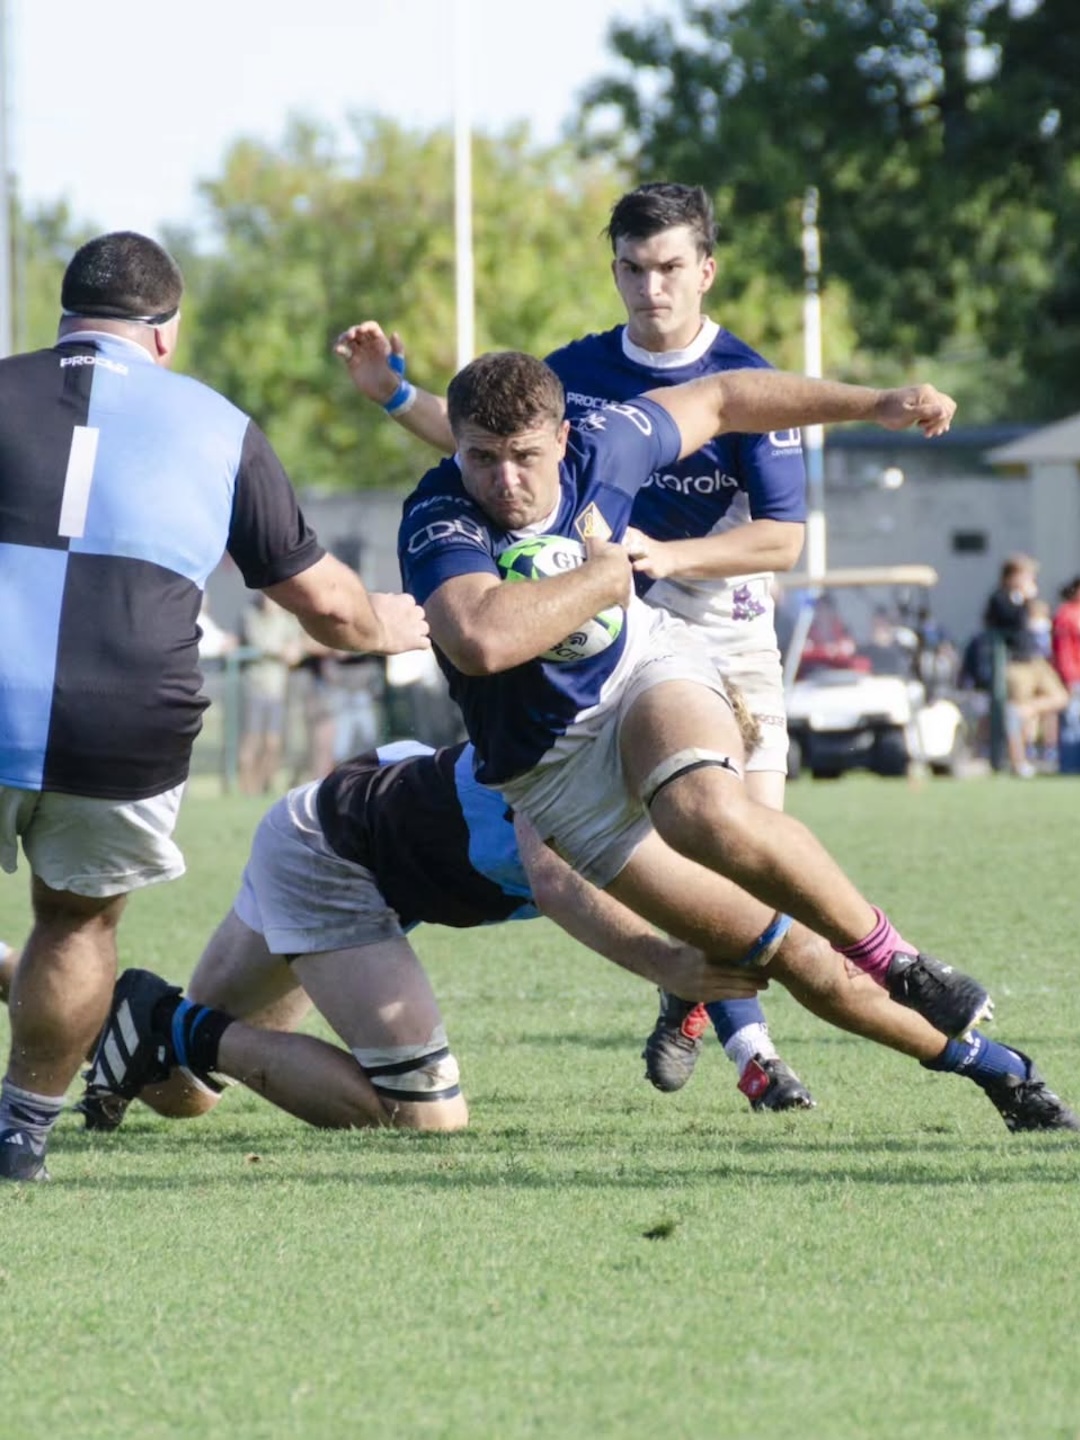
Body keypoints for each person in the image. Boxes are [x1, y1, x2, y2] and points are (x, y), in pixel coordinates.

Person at [336, 183, 845, 1101]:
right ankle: (757, 1059)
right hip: (600, 630)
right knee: (566, 858)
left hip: (725, 631)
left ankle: (695, 997)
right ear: (614, 270)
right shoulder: (576, 370)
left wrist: (668, 555)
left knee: (748, 856)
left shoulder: (744, 376)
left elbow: (783, 541)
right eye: (632, 269)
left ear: (706, 270)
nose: (651, 289)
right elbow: (488, 442)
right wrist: (396, 395)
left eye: (670, 268)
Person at [384, 352, 1000, 1071]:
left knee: (700, 810)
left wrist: (874, 403)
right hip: (550, 773)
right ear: (456, 447)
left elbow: (724, 396)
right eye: (481, 458)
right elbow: (480, 640)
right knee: (787, 953)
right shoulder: (439, 514)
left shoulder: (606, 444)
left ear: (562, 437)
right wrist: (602, 578)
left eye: (524, 456)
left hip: (642, 673)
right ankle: (1000, 1071)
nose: (505, 480)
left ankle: (900, 962)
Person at [0, 231, 429, 1182]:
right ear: (166, 332)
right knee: (75, 923)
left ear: (65, 320)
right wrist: (393, 623)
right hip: (125, 716)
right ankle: (21, 1133)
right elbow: (326, 606)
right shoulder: (218, 423)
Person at [80, 741, 1077, 1137]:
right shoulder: (572, 746)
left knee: (180, 1094)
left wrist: (991, 1069)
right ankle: (165, 1016)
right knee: (422, 1116)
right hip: (330, 854)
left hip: (365, 848)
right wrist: (667, 965)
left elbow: (816, 965)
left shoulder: (705, 819)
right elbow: (554, 878)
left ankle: (92, 1000)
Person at [984, 554, 1069, 777]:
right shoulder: (1000, 599)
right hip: (1016, 662)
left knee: (1059, 697)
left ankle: (1026, 709)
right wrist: (1024, 599)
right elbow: (1013, 621)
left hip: (1035, 660)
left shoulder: (1022, 599)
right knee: (1017, 720)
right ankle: (1018, 761)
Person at [237, 593, 305, 794]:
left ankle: (264, 786)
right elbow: (259, 642)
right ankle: (246, 788)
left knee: (273, 743)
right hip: (255, 686)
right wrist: (281, 650)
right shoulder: (251, 616)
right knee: (252, 740)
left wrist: (294, 649)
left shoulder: (285, 619)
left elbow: (295, 645)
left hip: (277, 689)